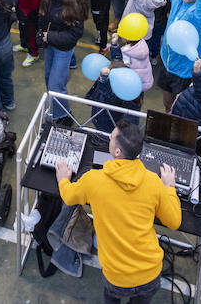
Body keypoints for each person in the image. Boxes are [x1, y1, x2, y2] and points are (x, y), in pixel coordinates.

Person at [55, 121, 181, 304]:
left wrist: (63, 180)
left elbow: (68, 197)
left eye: (111, 137)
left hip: (116, 277)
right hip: (150, 274)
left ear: (117, 153)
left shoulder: (93, 180)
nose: (108, 138)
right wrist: (169, 187)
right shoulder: (153, 182)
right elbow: (174, 221)